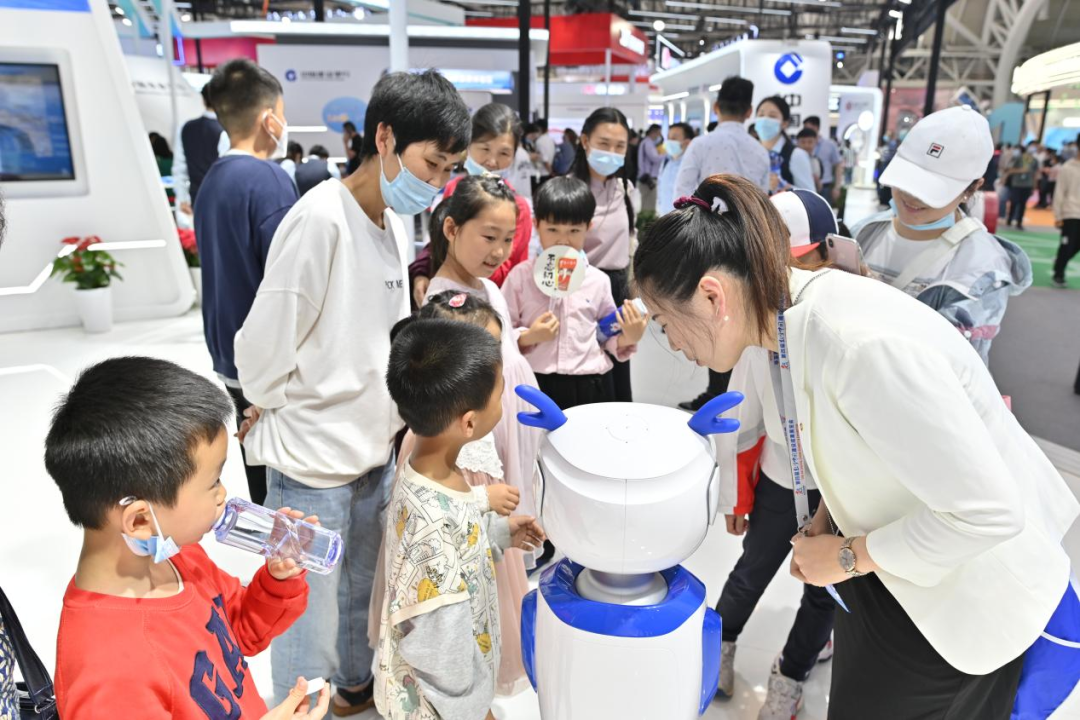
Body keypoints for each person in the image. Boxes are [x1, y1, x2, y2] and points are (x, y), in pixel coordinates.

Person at [634, 173, 1080, 720]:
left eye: (664, 323)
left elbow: (988, 512)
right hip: (893, 571)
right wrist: (829, 518)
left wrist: (848, 555)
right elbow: (860, 443)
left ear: (711, 295)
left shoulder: (856, 343)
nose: (672, 344)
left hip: (954, 602)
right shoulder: (793, 323)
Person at [233, 69, 470, 712]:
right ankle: (300, 707)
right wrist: (277, 407)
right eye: (430, 162)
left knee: (361, 594)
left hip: (373, 453)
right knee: (304, 615)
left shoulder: (394, 224)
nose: (437, 182)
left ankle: (353, 692)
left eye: (449, 168)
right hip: (312, 465)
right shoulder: (319, 221)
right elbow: (260, 353)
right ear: (385, 137)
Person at [47, 357, 331, 720]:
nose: (223, 494)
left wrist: (277, 581)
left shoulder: (176, 557)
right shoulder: (108, 671)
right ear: (139, 521)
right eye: (212, 482)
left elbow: (239, 631)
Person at [375, 318, 545, 720]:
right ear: (469, 423)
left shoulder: (430, 473)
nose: (503, 404)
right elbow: (441, 651)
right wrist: (474, 709)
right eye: (500, 396)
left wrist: (499, 532)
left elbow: (455, 540)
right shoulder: (428, 519)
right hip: (440, 706)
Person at [714, 189, 839, 719]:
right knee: (752, 571)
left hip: (841, 491)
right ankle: (717, 646)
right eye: (779, 264)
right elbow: (740, 418)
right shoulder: (758, 324)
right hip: (779, 483)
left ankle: (791, 675)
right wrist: (734, 495)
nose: (792, 275)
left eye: (806, 259)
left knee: (825, 594)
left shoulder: (842, 320)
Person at [193, 58, 298, 507]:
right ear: (268, 118)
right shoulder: (268, 180)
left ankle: (271, 565)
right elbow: (292, 282)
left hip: (228, 354)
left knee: (256, 463)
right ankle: (287, 571)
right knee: (287, 480)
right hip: (268, 361)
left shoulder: (212, 180)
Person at [852, 106, 1032, 366]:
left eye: (931, 190)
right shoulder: (866, 231)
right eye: (907, 180)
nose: (912, 196)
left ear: (972, 188)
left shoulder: (982, 269)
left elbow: (953, 368)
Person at [424, 176, 542, 544]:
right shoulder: (444, 300)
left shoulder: (488, 286)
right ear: (451, 228)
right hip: (484, 424)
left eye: (508, 239)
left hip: (511, 409)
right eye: (489, 237)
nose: (500, 251)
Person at [503, 176, 647, 410]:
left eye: (574, 230)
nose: (563, 239)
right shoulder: (520, 277)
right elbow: (500, 332)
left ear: (588, 227)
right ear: (536, 224)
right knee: (536, 445)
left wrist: (629, 336)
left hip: (591, 381)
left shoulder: (597, 280)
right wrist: (529, 337)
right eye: (552, 229)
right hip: (535, 383)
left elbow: (603, 334)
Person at [674, 76, 770, 412]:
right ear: (749, 111)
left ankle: (715, 394)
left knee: (711, 319)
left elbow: (682, 197)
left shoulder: (700, 145)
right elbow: (762, 205)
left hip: (706, 248)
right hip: (746, 247)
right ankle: (735, 397)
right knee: (740, 321)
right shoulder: (760, 152)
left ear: (716, 108)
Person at [409, 102, 533, 306]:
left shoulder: (517, 207)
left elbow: (510, 271)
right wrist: (421, 271)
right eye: (484, 149)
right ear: (468, 145)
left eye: (504, 153)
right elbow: (438, 243)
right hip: (444, 298)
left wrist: (457, 268)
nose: (492, 162)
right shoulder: (454, 188)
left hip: (488, 305)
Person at [570, 107, 639, 403]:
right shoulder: (569, 190)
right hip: (579, 288)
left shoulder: (626, 189)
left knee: (617, 368)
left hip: (617, 287)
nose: (611, 153)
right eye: (604, 144)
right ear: (585, 141)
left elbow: (630, 241)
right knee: (585, 369)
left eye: (619, 146)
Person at [174, 83, 230, 229]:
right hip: (219, 203)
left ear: (203, 100)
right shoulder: (225, 131)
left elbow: (180, 167)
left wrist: (182, 198)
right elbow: (227, 172)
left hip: (195, 199)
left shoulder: (186, 128)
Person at [756, 96, 816, 193]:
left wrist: (785, 187)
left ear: (784, 123)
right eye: (761, 115)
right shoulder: (751, 151)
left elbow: (811, 195)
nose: (764, 120)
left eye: (772, 116)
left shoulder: (796, 155)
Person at [1053, 137, 1080, 289]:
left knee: (1075, 246)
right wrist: (1058, 215)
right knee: (1067, 245)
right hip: (1070, 213)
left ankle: (1059, 262)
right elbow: (1059, 192)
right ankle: (1059, 273)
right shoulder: (1068, 168)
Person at [803, 116, 843, 205]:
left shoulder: (830, 145)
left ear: (816, 127)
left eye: (808, 128)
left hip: (825, 188)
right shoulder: (801, 145)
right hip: (805, 186)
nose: (806, 131)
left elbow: (838, 165)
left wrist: (837, 187)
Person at [658, 122, 695, 214]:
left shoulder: (693, 165)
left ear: (687, 142)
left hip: (684, 221)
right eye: (668, 138)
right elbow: (660, 188)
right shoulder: (666, 162)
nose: (669, 142)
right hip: (665, 218)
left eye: (673, 138)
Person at [1002, 142, 1040, 230]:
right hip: (1017, 184)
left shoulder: (1034, 161)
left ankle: (1019, 222)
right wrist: (1021, 170)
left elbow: (1035, 174)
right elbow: (1009, 170)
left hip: (1028, 185)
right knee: (1014, 202)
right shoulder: (1018, 158)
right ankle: (1009, 220)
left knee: (1023, 204)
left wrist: (1034, 186)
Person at [638, 123, 664, 213]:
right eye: (659, 133)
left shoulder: (647, 142)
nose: (660, 135)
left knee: (647, 204)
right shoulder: (648, 143)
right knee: (648, 205)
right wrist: (665, 154)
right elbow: (655, 158)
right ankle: (646, 225)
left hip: (647, 177)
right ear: (654, 132)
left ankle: (645, 224)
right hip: (648, 178)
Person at [533, 119, 557, 184]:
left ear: (539, 128)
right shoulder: (551, 140)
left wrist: (551, 172)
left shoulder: (539, 141)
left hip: (542, 173)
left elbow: (545, 160)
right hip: (548, 172)